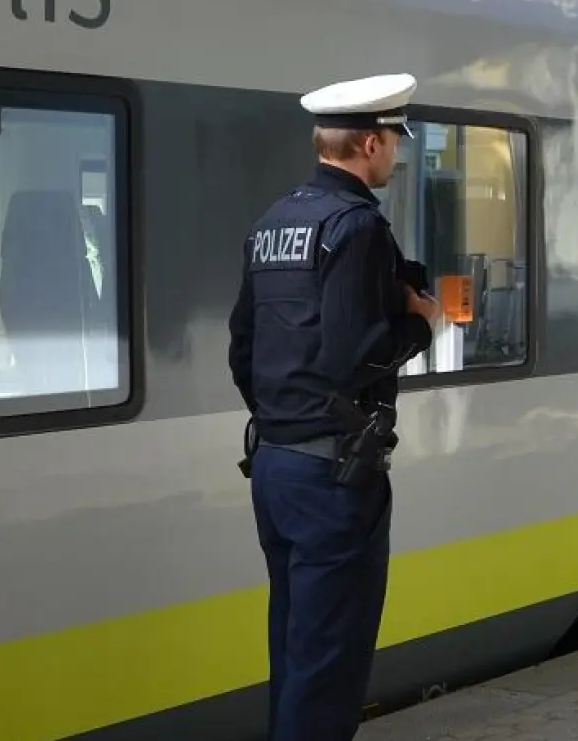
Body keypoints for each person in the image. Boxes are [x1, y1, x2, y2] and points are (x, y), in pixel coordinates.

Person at [227, 72, 444, 741]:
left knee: (294, 653)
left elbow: (242, 349)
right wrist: (422, 324)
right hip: (334, 478)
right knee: (330, 666)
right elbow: (359, 355)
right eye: (394, 143)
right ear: (372, 143)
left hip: (275, 465)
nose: (396, 157)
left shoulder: (274, 223)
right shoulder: (356, 229)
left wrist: (285, 415)